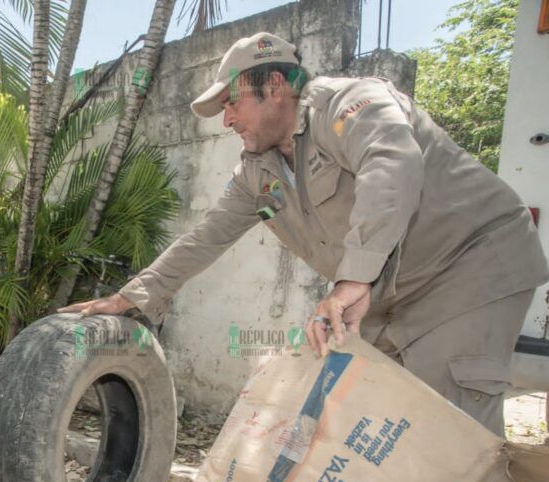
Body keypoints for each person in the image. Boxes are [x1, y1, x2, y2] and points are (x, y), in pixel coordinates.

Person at [61, 31, 548, 437]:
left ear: (274, 86)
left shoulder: (350, 103)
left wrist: (352, 280)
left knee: (446, 432)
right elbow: (206, 236)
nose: (227, 119)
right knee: (372, 425)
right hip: (392, 291)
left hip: (470, 265)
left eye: (233, 102)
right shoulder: (258, 170)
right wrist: (135, 295)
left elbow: (391, 162)